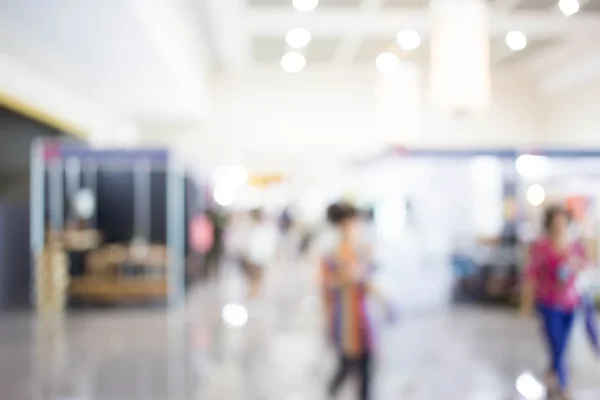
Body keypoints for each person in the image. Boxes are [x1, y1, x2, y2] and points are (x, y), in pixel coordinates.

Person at [321, 202, 387, 400]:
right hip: (346, 317)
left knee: (365, 367)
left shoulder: (360, 247)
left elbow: (369, 277)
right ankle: (332, 390)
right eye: (351, 222)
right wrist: (350, 277)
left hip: (363, 314)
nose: (355, 226)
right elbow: (327, 284)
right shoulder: (333, 251)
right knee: (348, 364)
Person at [521, 205, 588, 400]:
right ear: (549, 224)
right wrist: (525, 303)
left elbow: (585, 262)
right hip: (548, 302)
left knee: (562, 346)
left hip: (570, 303)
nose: (560, 225)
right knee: (556, 344)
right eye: (556, 222)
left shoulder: (574, 245)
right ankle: (564, 386)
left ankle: (552, 372)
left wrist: (576, 263)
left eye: (563, 221)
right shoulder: (541, 246)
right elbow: (531, 274)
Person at [241, 208, 278, 298]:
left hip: (258, 256)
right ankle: (254, 292)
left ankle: (254, 293)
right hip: (255, 256)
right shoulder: (253, 228)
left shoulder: (262, 228)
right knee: (254, 277)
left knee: (256, 277)